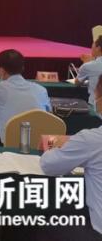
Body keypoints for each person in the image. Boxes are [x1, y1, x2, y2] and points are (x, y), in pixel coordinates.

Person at [39, 80, 102, 241]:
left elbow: (49, 166)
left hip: (97, 232)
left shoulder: (91, 139)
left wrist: (54, 147)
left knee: (39, 221)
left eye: (95, 93)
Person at [0, 49, 51, 144]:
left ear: (2, 70)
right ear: (22, 68)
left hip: (11, 147)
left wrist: (2, 110)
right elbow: (48, 115)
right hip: (40, 146)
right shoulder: (41, 90)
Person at [75, 35, 102, 105]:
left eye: (92, 47)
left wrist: (86, 62)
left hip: (95, 106)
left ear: (98, 48)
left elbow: (77, 82)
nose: (91, 49)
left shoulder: (88, 66)